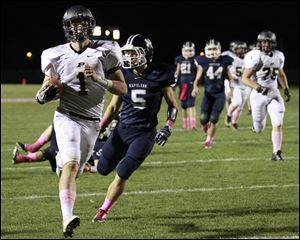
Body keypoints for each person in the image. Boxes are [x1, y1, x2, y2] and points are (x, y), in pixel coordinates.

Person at [36, 5, 127, 237]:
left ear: (91, 25)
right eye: (74, 24)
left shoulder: (106, 50)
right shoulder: (53, 54)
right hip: (66, 115)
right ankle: (67, 218)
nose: (79, 28)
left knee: (75, 170)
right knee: (73, 164)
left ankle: (60, 162)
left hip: (92, 121)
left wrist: (99, 79)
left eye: (83, 23)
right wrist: (42, 94)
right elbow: (48, 86)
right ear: (67, 28)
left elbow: (122, 88)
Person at [92, 34, 178, 223]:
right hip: (122, 129)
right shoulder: (124, 74)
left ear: (146, 54)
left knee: (123, 171)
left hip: (144, 134)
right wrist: (100, 127)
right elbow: (114, 106)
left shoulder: (160, 74)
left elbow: (172, 105)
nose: (129, 58)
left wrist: (168, 126)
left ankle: (103, 210)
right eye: (127, 54)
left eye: (133, 53)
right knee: (103, 169)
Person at [242, 30, 291, 161]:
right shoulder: (255, 56)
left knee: (278, 121)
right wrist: (259, 88)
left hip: (273, 92)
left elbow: (280, 74)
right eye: (263, 42)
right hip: (258, 95)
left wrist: (286, 88)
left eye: (268, 42)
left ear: (273, 43)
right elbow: (245, 78)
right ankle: (255, 126)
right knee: (259, 128)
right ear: (259, 43)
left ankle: (276, 152)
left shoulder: (279, 56)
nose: (266, 45)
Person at [192, 39, 234, 149]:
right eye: (210, 49)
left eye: (214, 49)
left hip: (220, 95)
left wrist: (232, 90)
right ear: (206, 50)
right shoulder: (203, 61)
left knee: (214, 118)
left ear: (219, 50)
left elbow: (231, 78)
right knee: (203, 119)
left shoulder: (224, 60)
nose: (212, 51)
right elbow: (198, 77)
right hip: (208, 95)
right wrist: (195, 87)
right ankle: (206, 127)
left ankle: (209, 140)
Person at [175, 41, 201, 129]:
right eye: (186, 51)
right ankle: (185, 124)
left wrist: (196, 84)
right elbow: (177, 72)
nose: (188, 53)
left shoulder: (195, 59)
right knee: (184, 105)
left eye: (190, 51)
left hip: (191, 84)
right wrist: (174, 82)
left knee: (191, 105)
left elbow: (199, 70)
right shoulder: (179, 59)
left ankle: (193, 125)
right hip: (182, 84)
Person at [225, 40, 251, 130]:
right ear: (233, 49)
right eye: (238, 49)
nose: (240, 51)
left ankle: (234, 122)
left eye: (242, 49)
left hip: (245, 84)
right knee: (237, 102)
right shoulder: (229, 57)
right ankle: (228, 114)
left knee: (241, 106)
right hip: (235, 83)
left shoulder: (248, 57)